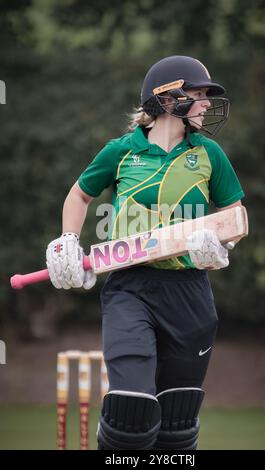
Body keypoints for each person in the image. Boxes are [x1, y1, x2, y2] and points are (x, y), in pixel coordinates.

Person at [46, 55, 245, 450]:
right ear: (168, 99)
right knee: (130, 413)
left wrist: (221, 245)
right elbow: (79, 194)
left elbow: (235, 215)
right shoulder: (121, 151)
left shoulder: (209, 155)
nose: (206, 104)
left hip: (190, 293)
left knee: (177, 425)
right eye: (198, 94)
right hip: (129, 288)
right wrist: (68, 239)